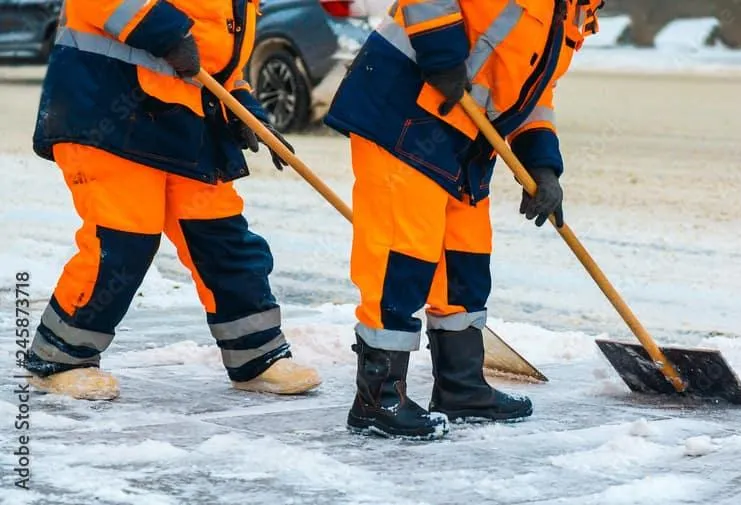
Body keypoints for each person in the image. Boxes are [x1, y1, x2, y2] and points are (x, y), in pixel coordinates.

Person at [324, 0, 603, 439]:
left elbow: (532, 92)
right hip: (406, 110)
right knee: (402, 254)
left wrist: (542, 165)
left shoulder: (574, 12)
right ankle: (377, 398)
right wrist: (441, 51)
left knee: (465, 260)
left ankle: (461, 386)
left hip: (466, 138)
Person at [24, 0, 322, 400]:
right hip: (108, 115)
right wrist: (165, 31)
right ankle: (60, 359)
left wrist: (248, 113)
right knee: (123, 241)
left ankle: (258, 356)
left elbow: (219, 64)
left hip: (185, 125)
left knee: (222, 237)